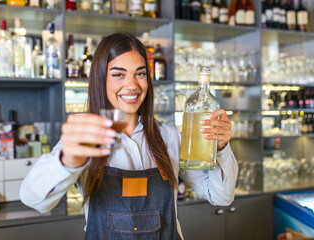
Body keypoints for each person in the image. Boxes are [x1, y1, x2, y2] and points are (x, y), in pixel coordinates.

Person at [20, 33, 238, 239]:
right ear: (100, 79)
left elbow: (221, 197)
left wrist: (221, 149)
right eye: (118, 74)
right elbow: (35, 200)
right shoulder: (87, 139)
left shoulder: (170, 137)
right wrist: (68, 160)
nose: (132, 85)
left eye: (140, 73)